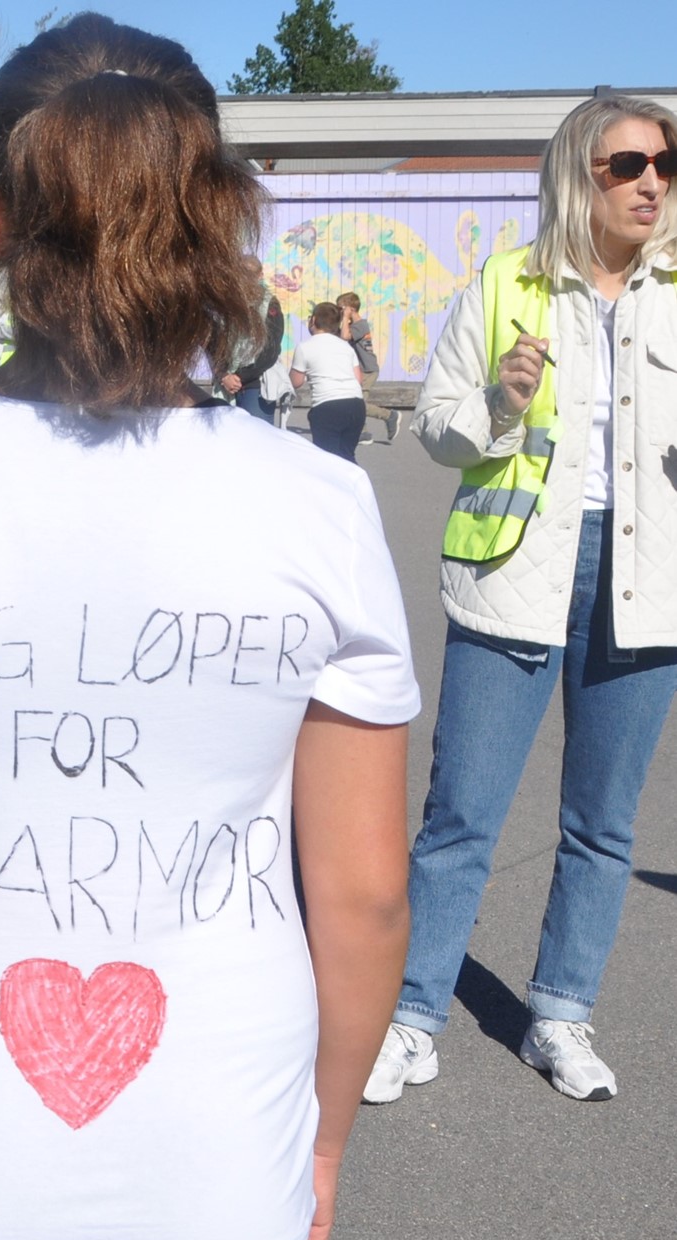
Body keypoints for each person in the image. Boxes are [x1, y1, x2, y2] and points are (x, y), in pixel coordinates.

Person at [0, 16, 419, 1240]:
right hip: (222, 1153)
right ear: (213, 216)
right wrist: (320, 1140)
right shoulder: (320, 504)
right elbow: (367, 892)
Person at [368, 96, 677, 1108]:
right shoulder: (506, 284)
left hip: (644, 584)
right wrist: (500, 406)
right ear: (574, 175)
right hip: (511, 573)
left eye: (666, 164)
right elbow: (437, 430)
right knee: (461, 817)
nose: (651, 181)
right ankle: (409, 1017)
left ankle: (558, 1012)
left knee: (601, 824)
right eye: (626, 161)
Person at [290, 301, 368, 461]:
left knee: (327, 460)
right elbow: (358, 379)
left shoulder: (305, 347)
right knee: (347, 456)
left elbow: (296, 382)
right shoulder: (346, 346)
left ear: (313, 320)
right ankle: (356, 485)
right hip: (356, 405)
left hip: (327, 407)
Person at [219, 257, 285, 423]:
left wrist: (240, 377)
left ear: (260, 275)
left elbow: (271, 349)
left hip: (256, 383)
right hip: (227, 381)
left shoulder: (269, 303)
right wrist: (224, 374)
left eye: (250, 275)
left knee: (258, 437)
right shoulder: (226, 303)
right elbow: (215, 344)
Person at [337, 291, 395, 443]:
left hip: (368, 369)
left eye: (342, 309)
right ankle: (363, 432)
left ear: (351, 309)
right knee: (357, 401)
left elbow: (344, 337)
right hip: (362, 369)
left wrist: (344, 317)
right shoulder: (351, 326)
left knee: (359, 403)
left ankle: (388, 416)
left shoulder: (360, 325)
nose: (340, 312)